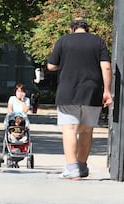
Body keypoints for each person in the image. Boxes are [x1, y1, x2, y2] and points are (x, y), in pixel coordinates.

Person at [47, 17, 112, 179]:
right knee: (86, 130)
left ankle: (72, 168)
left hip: (68, 91)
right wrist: (107, 91)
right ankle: (82, 166)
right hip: (92, 91)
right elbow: (106, 66)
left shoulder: (63, 41)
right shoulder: (98, 42)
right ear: (87, 28)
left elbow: (51, 65)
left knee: (69, 128)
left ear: (72, 29)